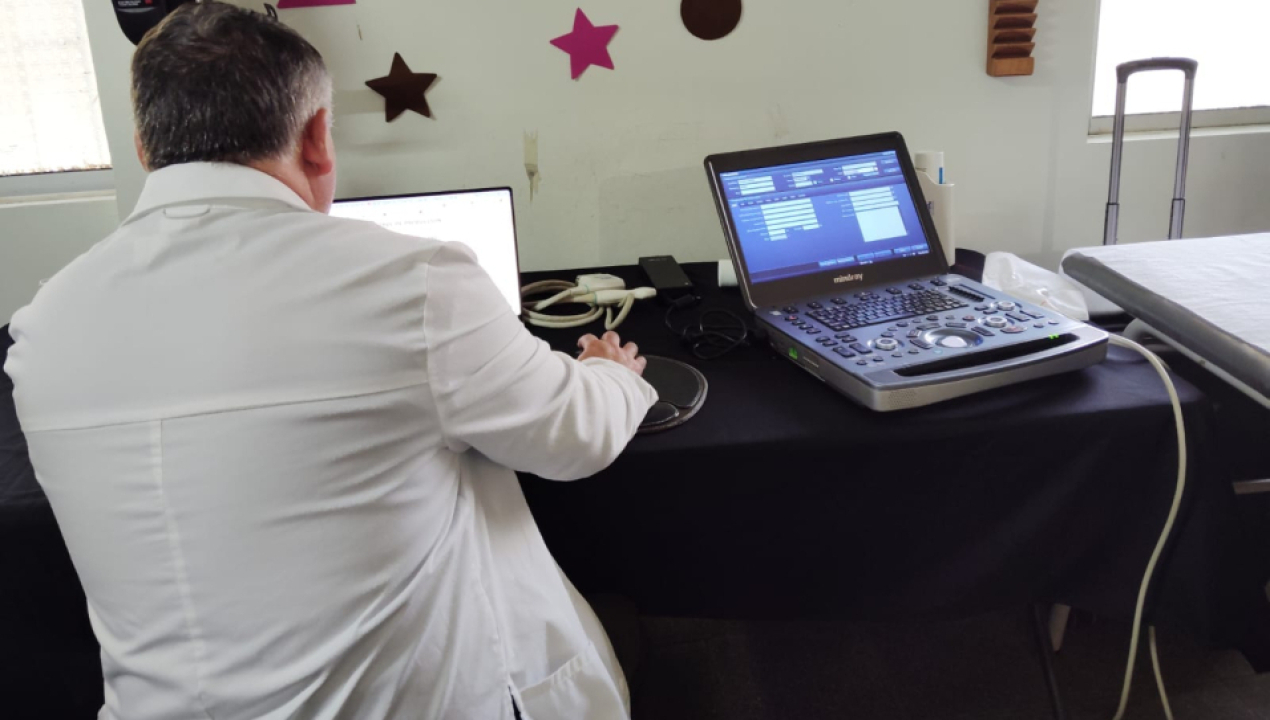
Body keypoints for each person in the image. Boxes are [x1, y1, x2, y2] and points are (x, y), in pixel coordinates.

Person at [3, 3, 656, 718]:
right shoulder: (412, 281)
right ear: (318, 138)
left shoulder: (42, 327)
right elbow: (575, 437)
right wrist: (612, 375)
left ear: (143, 147)